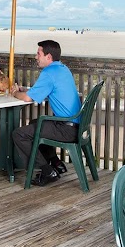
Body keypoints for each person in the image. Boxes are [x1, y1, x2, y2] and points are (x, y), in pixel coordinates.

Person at [11, 40, 80, 186]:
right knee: (35, 124)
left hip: (65, 129)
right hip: (76, 127)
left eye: (38, 54)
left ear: (48, 57)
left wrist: (15, 93)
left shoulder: (48, 73)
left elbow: (27, 98)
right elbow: (49, 91)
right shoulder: (62, 69)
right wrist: (25, 90)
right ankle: (56, 163)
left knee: (19, 134)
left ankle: (47, 170)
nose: (36, 57)